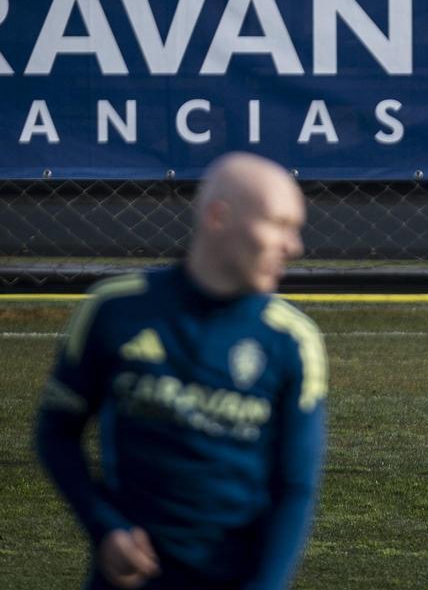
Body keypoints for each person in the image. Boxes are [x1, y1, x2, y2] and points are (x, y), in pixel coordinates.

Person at [35, 152, 327, 590]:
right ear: (218, 217)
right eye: (279, 224)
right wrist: (105, 527)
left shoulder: (293, 340)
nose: (294, 246)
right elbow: (55, 432)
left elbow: (295, 488)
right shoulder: (114, 310)